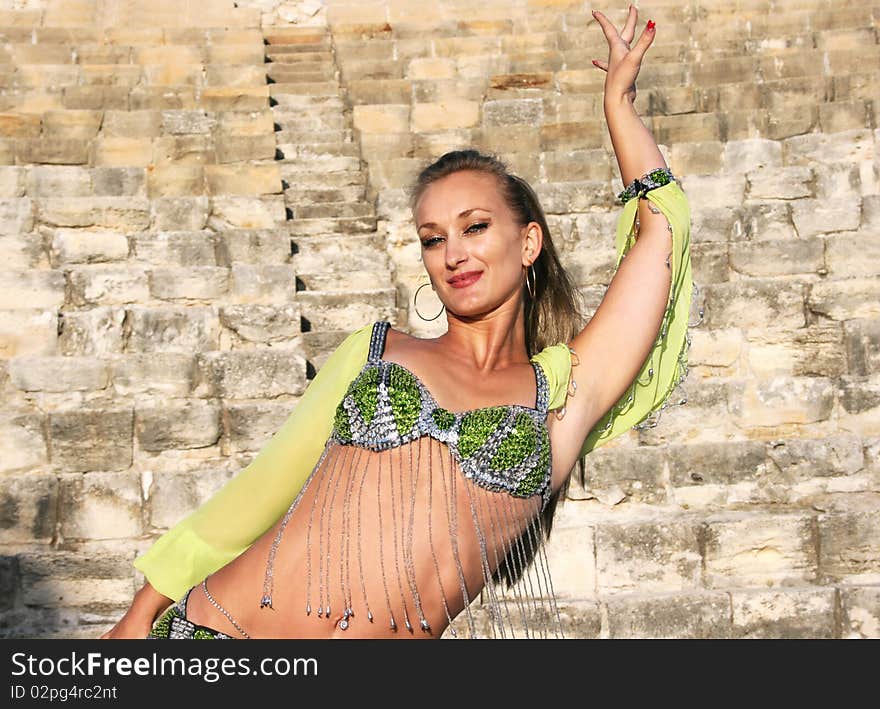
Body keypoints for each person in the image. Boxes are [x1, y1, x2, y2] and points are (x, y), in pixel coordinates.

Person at [101, 6, 694, 640]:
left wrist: (619, 110)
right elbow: (262, 487)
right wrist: (141, 613)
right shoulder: (378, 351)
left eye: (475, 227)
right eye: (433, 239)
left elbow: (660, 232)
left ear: (529, 243)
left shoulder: (564, 395)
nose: (454, 253)